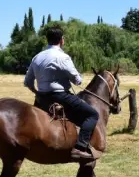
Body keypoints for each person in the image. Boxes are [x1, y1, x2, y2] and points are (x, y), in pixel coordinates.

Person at [24, 26, 100, 162]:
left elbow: (28, 82)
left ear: (47, 40)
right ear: (61, 40)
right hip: (60, 96)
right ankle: (80, 147)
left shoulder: (37, 57)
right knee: (92, 114)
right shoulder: (63, 57)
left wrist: (38, 93)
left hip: (41, 99)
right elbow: (77, 81)